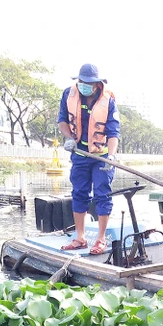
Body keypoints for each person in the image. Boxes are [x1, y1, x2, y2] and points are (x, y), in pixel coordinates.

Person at [58, 63, 121, 255]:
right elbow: (62, 120)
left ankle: (100, 239)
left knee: (102, 195)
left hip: (101, 156)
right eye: (82, 81)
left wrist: (110, 156)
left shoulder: (108, 100)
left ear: (98, 84)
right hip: (80, 154)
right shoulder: (68, 94)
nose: (85, 86)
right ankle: (80, 238)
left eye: (90, 83)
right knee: (79, 194)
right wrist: (69, 138)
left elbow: (113, 132)